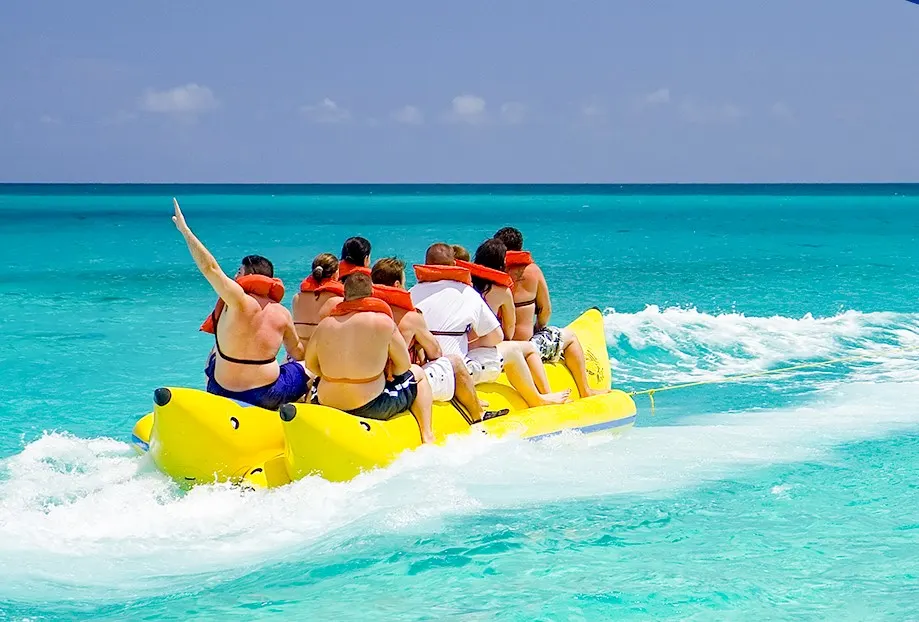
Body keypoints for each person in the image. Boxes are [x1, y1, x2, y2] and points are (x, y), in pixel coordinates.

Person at [172, 198, 307, 410]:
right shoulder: (282, 313)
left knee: (213, 355)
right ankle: (298, 415)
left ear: (249, 276)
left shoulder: (238, 300)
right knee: (304, 369)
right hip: (267, 395)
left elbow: (211, 269)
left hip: (222, 390)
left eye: (239, 272)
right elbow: (298, 353)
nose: (235, 276)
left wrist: (185, 231)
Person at [410, 243, 567, 408]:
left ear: (426, 265)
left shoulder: (412, 292)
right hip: (456, 373)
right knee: (512, 350)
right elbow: (496, 337)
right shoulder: (466, 293)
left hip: (426, 371)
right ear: (454, 264)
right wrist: (470, 345)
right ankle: (537, 399)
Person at [371, 257, 507, 422]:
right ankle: (477, 413)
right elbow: (435, 352)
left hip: (371, 382)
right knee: (454, 362)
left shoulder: (363, 314)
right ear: (397, 285)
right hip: (398, 383)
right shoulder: (410, 316)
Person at [306, 272, 435, 443]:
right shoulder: (383, 322)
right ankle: (427, 434)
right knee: (418, 373)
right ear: (372, 294)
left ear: (344, 295)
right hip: (371, 406)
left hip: (326, 402)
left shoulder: (324, 325)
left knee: (316, 381)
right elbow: (403, 366)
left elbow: (311, 365)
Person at [493, 226, 609, 398]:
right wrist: (539, 327)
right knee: (571, 337)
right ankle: (585, 390)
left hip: (500, 347)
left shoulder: (493, 275)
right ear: (520, 247)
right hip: (528, 345)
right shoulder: (533, 271)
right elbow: (545, 310)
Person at [461, 240, 569, 405]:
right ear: (501, 264)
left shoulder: (465, 287)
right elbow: (509, 328)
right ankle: (545, 395)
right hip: (486, 353)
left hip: (463, 351)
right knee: (529, 349)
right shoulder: (502, 291)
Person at [291, 253, 344, 345]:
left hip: (296, 356)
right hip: (322, 356)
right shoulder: (337, 300)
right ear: (335, 274)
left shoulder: (296, 298)